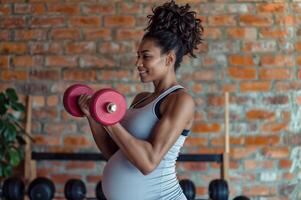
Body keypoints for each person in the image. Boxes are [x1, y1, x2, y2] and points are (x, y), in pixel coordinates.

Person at [78, 1, 203, 199]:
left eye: (146, 56)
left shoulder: (180, 101)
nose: (138, 63)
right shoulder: (141, 99)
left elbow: (148, 162)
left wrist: (109, 121)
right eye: (138, 56)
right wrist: (93, 117)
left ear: (169, 59)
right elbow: (116, 153)